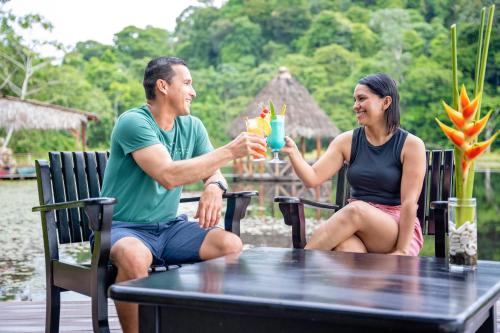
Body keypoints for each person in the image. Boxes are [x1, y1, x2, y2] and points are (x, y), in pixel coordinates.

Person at [97, 56, 267, 333]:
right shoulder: (133, 122)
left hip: (170, 228)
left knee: (230, 246)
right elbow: (168, 175)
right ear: (163, 86)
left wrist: (214, 186)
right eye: (187, 83)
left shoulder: (193, 127)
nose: (193, 91)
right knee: (134, 256)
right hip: (124, 228)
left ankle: (202, 324)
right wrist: (230, 151)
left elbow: (214, 171)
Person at [281, 73, 426, 256]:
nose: (355, 106)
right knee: (345, 248)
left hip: (395, 230)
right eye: (355, 100)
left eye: (362, 99)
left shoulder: (411, 145)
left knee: (355, 210)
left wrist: (403, 251)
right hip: (357, 227)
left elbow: (409, 203)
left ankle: (298, 265)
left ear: (386, 102)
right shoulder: (346, 141)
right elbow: (313, 178)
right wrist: (294, 153)